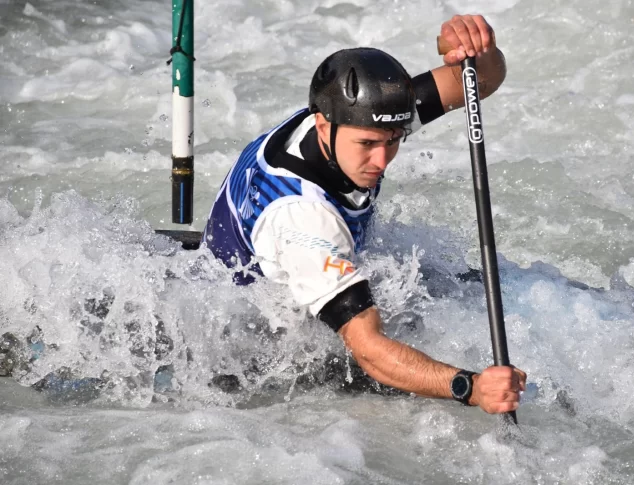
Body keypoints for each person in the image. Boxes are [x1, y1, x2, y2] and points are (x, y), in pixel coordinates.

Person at [203, 14, 527, 414]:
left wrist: (478, 50)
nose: (382, 160)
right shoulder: (304, 216)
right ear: (323, 126)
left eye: (394, 141)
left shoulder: (351, 119)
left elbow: (481, 81)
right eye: (369, 144)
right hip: (251, 353)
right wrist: (470, 387)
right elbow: (369, 353)